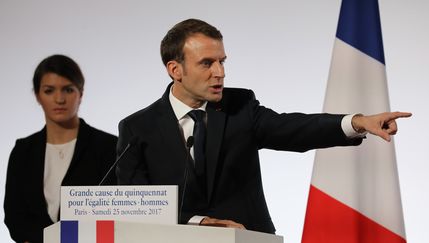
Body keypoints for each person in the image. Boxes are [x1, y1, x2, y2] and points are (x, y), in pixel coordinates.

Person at [115, 19, 411, 234]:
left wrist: (356, 122)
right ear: (174, 69)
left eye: (222, 61)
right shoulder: (137, 128)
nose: (220, 73)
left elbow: (292, 128)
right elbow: (137, 206)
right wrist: (199, 223)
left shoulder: (240, 105)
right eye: (207, 63)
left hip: (248, 238)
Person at [4, 54, 118, 243]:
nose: (59, 99)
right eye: (49, 91)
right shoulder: (23, 151)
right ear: (37, 96)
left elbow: (115, 215)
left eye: (68, 89)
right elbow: (15, 217)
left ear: (80, 94)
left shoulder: (109, 147)